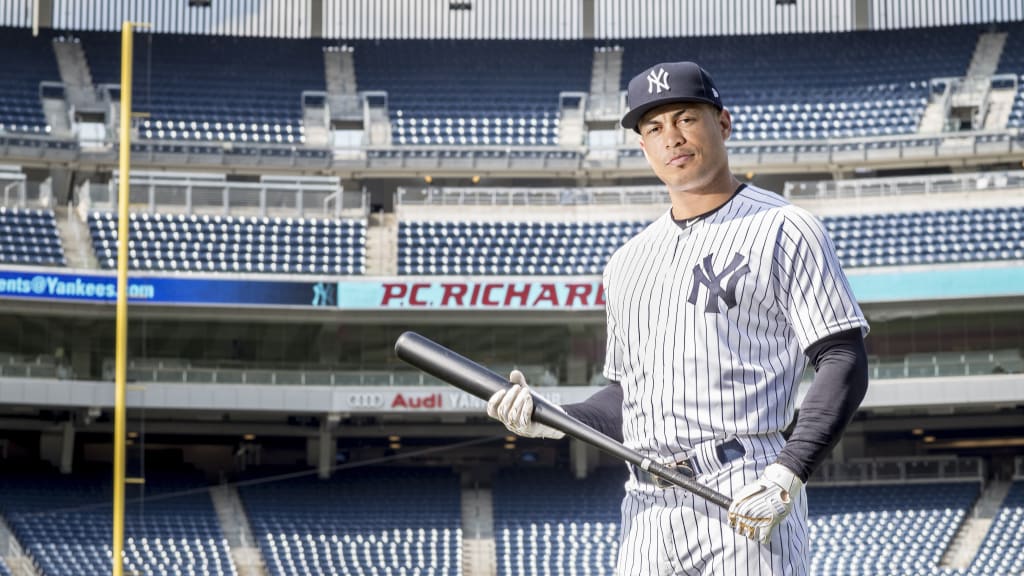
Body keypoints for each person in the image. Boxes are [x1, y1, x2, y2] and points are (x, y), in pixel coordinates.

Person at [487, 61, 870, 575]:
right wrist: (552, 418)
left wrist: (789, 472)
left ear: (723, 124)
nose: (672, 137)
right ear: (643, 147)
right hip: (646, 505)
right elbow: (627, 397)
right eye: (653, 128)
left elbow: (842, 357)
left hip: (745, 484)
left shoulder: (786, 227)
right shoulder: (626, 262)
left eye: (686, 118)